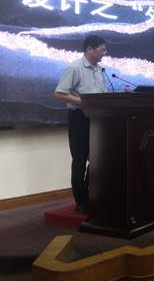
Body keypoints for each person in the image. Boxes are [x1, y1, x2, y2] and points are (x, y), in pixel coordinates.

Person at [55, 35, 107, 213]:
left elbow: (101, 94)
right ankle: (81, 201)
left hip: (98, 119)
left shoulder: (100, 69)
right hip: (79, 118)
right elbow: (60, 93)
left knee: (99, 158)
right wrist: (84, 103)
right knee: (79, 160)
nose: (104, 53)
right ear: (90, 49)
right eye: (102, 49)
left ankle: (91, 194)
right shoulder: (74, 67)